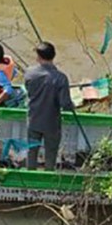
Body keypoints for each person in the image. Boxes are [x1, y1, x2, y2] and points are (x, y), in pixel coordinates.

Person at [24, 41, 73, 171]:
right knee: (51, 153)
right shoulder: (61, 78)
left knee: (31, 151)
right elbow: (65, 104)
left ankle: (30, 174)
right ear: (54, 56)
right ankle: (48, 173)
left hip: (33, 119)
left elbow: (29, 91)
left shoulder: (29, 73)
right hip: (51, 123)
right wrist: (72, 106)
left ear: (38, 57)